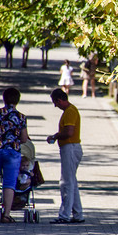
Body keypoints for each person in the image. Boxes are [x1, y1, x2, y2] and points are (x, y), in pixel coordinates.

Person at [47, 88, 84, 224]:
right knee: (72, 182)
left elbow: (69, 132)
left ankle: (64, 215)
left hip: (70, 147)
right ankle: (78, 214)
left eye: (55, 102)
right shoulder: (70, 111)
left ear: (60, 100)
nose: (55, 106)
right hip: (70, 147)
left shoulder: (70, 112)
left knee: (66, 183)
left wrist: (55, 136)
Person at [0, 88, 29, 223]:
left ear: (4, 99)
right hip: (13, 153)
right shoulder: (21, 117)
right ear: (18, 100)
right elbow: (24, 138)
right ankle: (6, 215)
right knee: (9, 184)